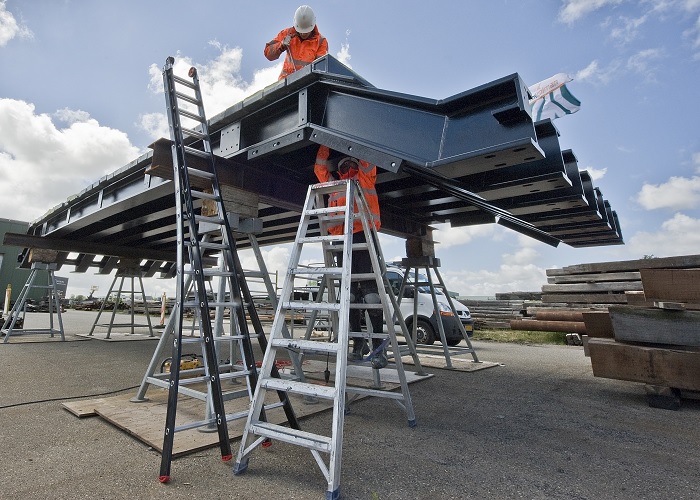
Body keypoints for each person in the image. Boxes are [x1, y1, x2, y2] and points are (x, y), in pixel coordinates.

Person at [314, 145, 388, 369]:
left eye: (351, 162)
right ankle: (358, 344)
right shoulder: (335, 185)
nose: (348, 165)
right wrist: (326, 143)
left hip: (364, 236)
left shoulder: (364, 179)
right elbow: (320, 168)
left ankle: (378, 350)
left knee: (371, 296)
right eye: (344, 164)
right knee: (351, 298)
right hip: (343, 241)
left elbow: (368, 158)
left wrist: (349, 141)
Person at [264, 5, 328, 81]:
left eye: (306, 31)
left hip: (307, 84)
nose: (303, 34)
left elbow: (321, 69)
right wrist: (281, 45)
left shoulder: (321, 41)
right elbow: (268, 54)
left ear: (313, 25)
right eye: (301, 31)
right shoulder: (288, 33)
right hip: (286, 84)